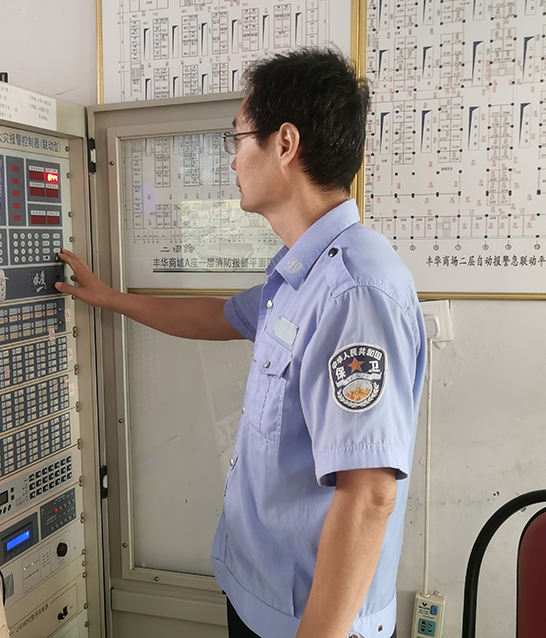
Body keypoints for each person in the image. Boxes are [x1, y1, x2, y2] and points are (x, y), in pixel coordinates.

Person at [56, 47, 426, 638]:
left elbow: (369, 495)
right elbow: (218, 315)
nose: (231, 158)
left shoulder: (355, 291)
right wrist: (110, 299)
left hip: (308, 619)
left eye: (238, 137)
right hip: (259, 591)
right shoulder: (302, 273)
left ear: (285, 143)